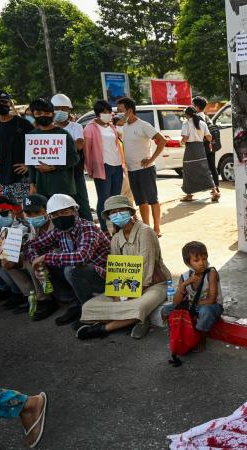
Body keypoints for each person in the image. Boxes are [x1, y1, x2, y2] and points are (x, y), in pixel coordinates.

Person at [77, 195, 171, 340]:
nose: (118, 214)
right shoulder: (115, 238)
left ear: (130, 212)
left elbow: (147, 266)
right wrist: (117, 294)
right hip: (127, 287)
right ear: (109, 216)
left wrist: (130, 296)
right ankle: (134, 320)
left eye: (122, 210)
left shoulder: (145, 231)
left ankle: (103, 328)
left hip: (154, 284)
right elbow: (115, 270)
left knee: (138, 306)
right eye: (113, 212)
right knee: (88, 307)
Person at [25, 194, 110, 326]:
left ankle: (90, 312)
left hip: (103, 277)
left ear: (75, 211)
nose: (60, 217)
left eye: (64, 212)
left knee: (72, 268)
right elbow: (30, 245)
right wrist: (36, 260)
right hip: (81, 276)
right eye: (55, 215)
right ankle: (74, 303)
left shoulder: (88, 228)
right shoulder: (59, 230)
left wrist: (45, 257)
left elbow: (81, 257)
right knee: (48, 264)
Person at [117, 97, 166, 237]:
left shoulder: (143, 125)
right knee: (141, 201)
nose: (118, 114)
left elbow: (162, 140)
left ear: (130, 111)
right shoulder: (124, 128)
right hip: (131, 170)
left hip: (146, 170)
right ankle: (147, 228)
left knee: (152, 199)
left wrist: (152, 158)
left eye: (121, 111)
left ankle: (157, 228)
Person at [161, 241, 223, 346]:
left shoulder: (211, 273)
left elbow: (211, 300)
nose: (201, 263)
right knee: (166, 310)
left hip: (212, 307)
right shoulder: (185, 276)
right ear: (188, 263)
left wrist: (191, 306)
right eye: (196, 260)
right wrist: (184, 284)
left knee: (205, 311)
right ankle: (176, 335)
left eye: (204, 259)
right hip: (193, 306)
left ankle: (201, 339)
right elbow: (176, 301)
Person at [9, 194, 60, 321]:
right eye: (29, 214)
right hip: (41, 259)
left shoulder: (57, 223)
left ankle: (46, 300)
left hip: (58, 260)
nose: (33, 217)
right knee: (9, 263)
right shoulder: (29, 226)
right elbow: (29, 248)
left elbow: (61, 250)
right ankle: (32, 297)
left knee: (34, 265)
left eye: (37, 212)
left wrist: (37, 258)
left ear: (47, 210)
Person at [84, 100, 125, 231]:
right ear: (98, 114)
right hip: (102, 166)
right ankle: (104, 229)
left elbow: (117, 145)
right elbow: (87, 150)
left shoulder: (112, 127)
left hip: (117, 165)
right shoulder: (90, 128)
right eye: (104, 112)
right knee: (103, 198)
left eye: (109, 112)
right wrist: (89, 168)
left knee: (116, 198)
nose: (108, 114)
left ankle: (117, 227)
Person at [26, 98, 80, 200]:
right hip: (41, 189)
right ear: (33, 114)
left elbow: (74, 158)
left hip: (63, 187)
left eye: (47, 112)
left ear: (52, 114)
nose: (43, 115)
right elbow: (31, 164)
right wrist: (32, 184)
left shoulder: (63, 134)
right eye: (39, 113)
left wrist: (54, 167)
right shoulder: (32, 136)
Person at [51, 93, 91, 221]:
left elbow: (79, 145)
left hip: (75, 172)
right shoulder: (48, 128)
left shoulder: (76, 126)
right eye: (57, 108)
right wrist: (69, 144)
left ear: (69, 110)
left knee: (82, 203)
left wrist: (58, 144)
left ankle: (88, 228)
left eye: (64, 108)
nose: (61, 111)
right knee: (61, 205)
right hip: (56, 173)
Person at [0, 90, 33, 204]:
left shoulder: (23, 123)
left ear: (9, 103)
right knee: (10, 212)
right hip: (4, 176)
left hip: (23, 177)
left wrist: (29, 165)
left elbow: (37, 145)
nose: (2, 105)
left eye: (5, 102)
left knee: (26, 211)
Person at [180, 106, 216, 202]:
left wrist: (181, 143)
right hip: (200, 149)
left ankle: (189, 195)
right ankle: (214, 191)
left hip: (190, 149)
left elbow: (185, 138)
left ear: (187, 115)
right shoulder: (202, 123)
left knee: (188, 171)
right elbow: (209, 138)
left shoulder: (186, 123)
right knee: (204, 170)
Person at [192, 96, 221, 199]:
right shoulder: (207, 117)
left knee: (198, 169)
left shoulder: (195, 119)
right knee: (212, 168)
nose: (192, 107)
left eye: (193, 105)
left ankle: (191, 192)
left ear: (197, 107)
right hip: (211, 145)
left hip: (201, 147)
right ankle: (216, 188)